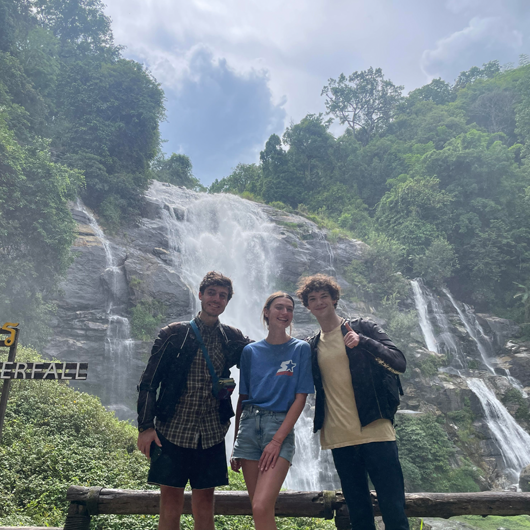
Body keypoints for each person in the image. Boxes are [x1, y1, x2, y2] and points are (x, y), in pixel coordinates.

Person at [137, 271, 251, 530]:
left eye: (223, 296)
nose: (216, 299)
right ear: (200, 295)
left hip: (211, 433)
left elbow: (262, 354)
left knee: (205, 504)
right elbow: (149, 382)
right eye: (211, 293)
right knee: (170, 503)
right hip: (171, 431)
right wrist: (145, 426)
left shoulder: (231, 337)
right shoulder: (174, 334)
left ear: (227, 302)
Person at [296, 274, 408, 530]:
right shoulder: (311, 346)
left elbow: (399, 362)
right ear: (307, 306)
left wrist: (364, 342)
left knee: (394, 511)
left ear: (335, 299)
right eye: (312, 298)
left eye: (324, 296)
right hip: (340, 438)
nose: (319, 302)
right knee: (358, 514)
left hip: (376, 432)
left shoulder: (363, 327)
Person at [230, 292, 314, 530]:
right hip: (248, 428)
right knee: (258, 508)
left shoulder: (300, 349)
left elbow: (301, 398)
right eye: (279, 307)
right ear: (266, 312)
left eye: (289, 309)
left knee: (261, 506)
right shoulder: (250, 352)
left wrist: (277, 441)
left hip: (279, 427)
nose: (285, 313)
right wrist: (236, 443)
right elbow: (243, 398)